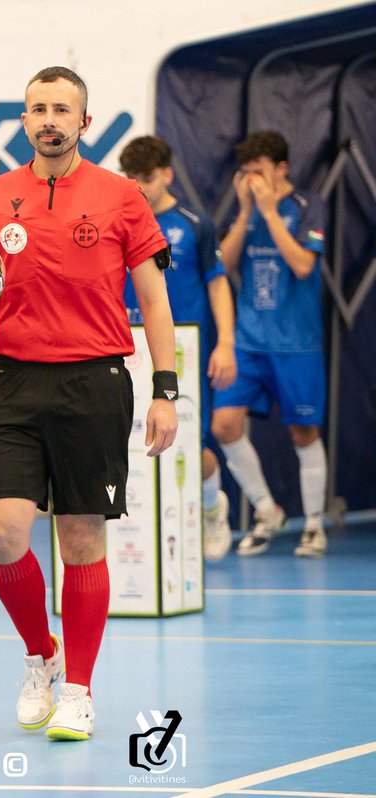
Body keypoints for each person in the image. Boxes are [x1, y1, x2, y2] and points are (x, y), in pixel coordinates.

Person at [0, 67, 178, 741]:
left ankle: (78, 688)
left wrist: (166, 390)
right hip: (12, 381)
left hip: (95, 381)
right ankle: (40, 654)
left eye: (61, 109)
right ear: (24, 121)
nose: (48, 118)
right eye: (36, 109)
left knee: (81, 538)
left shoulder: (121, 196)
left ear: (84, 122)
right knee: (1, 534)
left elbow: (155, 300)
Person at [119, 135, 238, 562]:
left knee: (192, 443)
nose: (140, 187)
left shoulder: (194, 223)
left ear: (167, 174)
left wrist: (225, 342)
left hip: (185, 351)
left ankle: (211, 506)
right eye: (131, 178)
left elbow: (217, 282)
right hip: (128, 349)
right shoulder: (117, 221)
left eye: (147, 178)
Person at [211, 131, 329, 558]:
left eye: (258, 171)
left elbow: (302, 265)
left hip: (296, 343)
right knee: (224, 424)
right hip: (248, 341)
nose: (252, 179)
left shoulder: (306, 205)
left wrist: (269, 212)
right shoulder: (246, 209)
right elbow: (221, 264)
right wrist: (246, 214)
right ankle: (267, 510)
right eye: (245, 172)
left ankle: (314, 524)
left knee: (303, 430)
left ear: (280, 169)